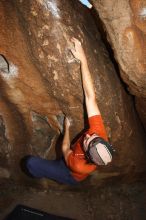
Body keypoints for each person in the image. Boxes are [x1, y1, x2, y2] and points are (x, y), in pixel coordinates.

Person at [25, 38, 114, 185]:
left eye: (87, 141)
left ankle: (41, 177)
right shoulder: (98, 133)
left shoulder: (79, 166)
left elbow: (66, 147)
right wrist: (83, 59)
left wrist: (66, 128)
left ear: (87, 153)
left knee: (31, 163)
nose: (89, 135)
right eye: (94, 136)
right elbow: (90, 97)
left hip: (70, 174)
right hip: (72, 157)